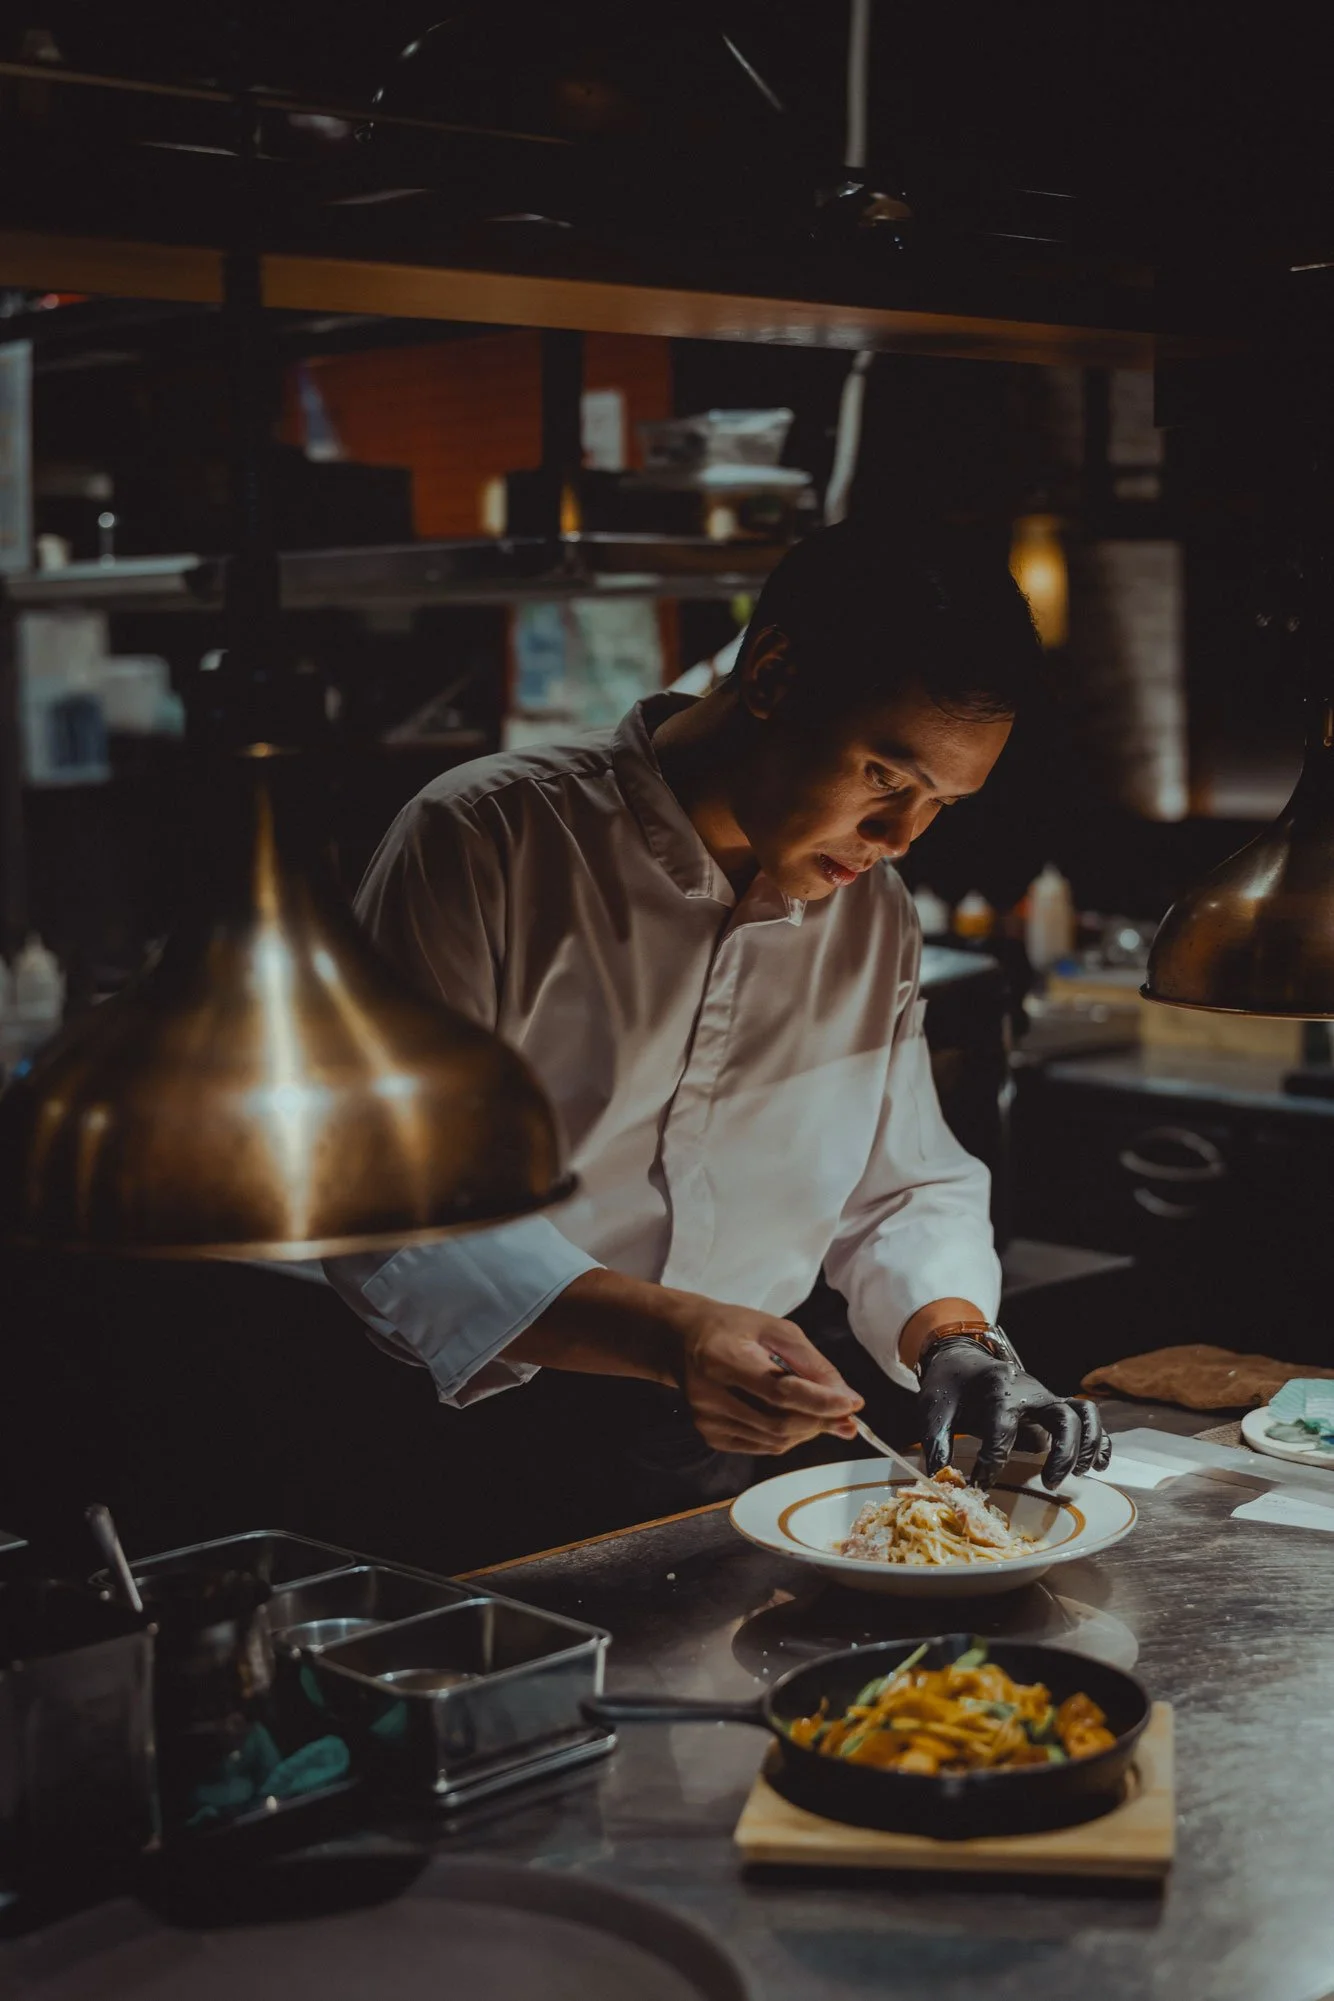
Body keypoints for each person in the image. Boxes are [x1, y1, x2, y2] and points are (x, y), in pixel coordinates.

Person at [324, 521, 1109, 1492]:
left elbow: (899, 1184)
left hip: (723, 1443)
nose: (901, 836)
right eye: (884, 778)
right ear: (772, 675)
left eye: (940, 803)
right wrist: (674, 1334)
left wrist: (956, 1340)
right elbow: (398, 1203)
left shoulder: (872, 915)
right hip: (480, 1430)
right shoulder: (483, 842)